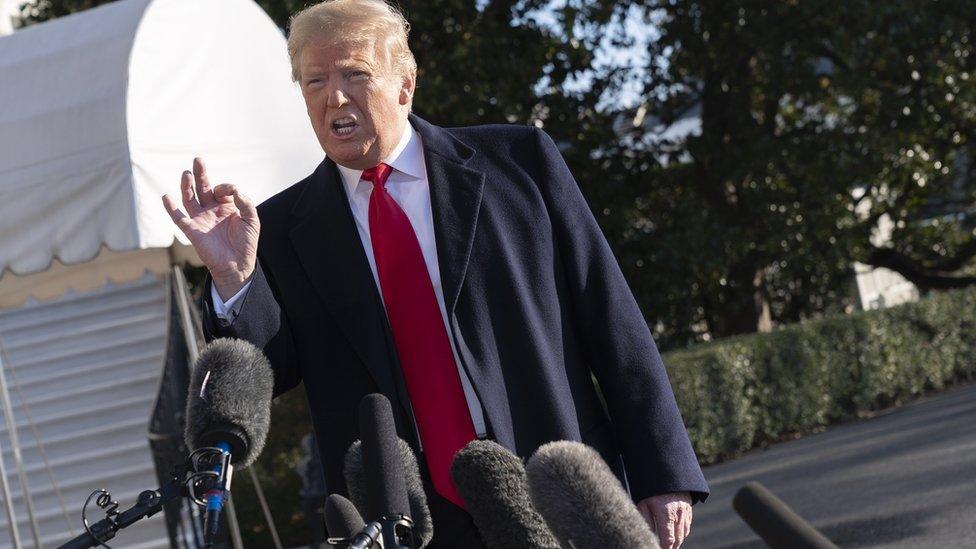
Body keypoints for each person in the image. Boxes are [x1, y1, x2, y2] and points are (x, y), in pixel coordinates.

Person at [162, 0, 708, 547]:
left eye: (355, 74)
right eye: (315, 81)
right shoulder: (280, 228)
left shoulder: (518, 164)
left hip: (553, 488)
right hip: (402, 521)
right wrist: (235, 278)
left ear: (405, 84)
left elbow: (609, 315)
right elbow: (267, 373)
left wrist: (663, 472)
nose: (334, 96)